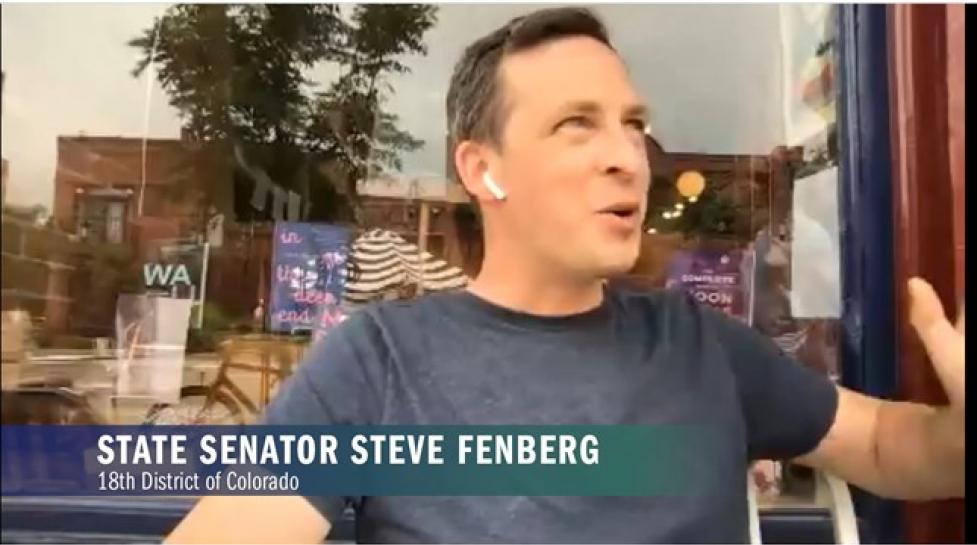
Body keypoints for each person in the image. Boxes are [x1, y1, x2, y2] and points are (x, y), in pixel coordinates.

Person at [167, 8, 965, 543]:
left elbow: (896, 447)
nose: (626, 156)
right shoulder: (380, 366)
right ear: (485, 170)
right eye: (575, 124)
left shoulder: (702, 346)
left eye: (632, 125)